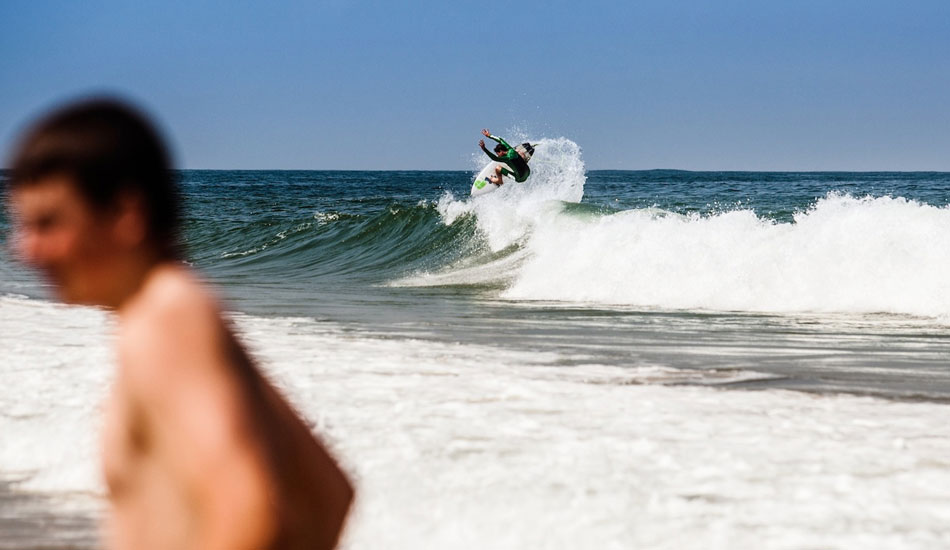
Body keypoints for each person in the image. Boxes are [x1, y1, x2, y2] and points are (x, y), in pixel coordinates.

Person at [6, 98, 353, 550]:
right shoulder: (172, 308)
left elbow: (253, 507)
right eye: (23, 225)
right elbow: (329, 493)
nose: (24, 249)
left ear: (125, 214)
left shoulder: (166, 319)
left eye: (48, 223)